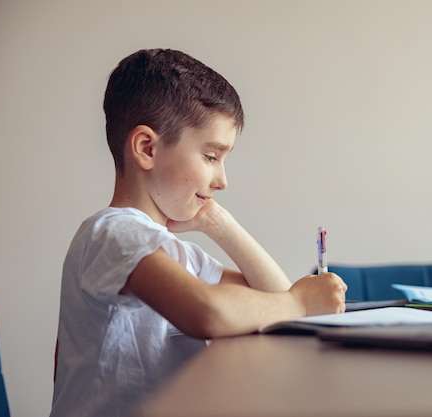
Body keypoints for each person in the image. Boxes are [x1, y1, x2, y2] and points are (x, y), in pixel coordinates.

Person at [50, 48, 347, 417]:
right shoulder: (111, 235)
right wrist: (301, 301)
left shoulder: (170, 251)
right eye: (211, 157)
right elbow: (209, 312)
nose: (222, 180)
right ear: (147, 148)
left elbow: (275, 299)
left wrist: (218, 224)